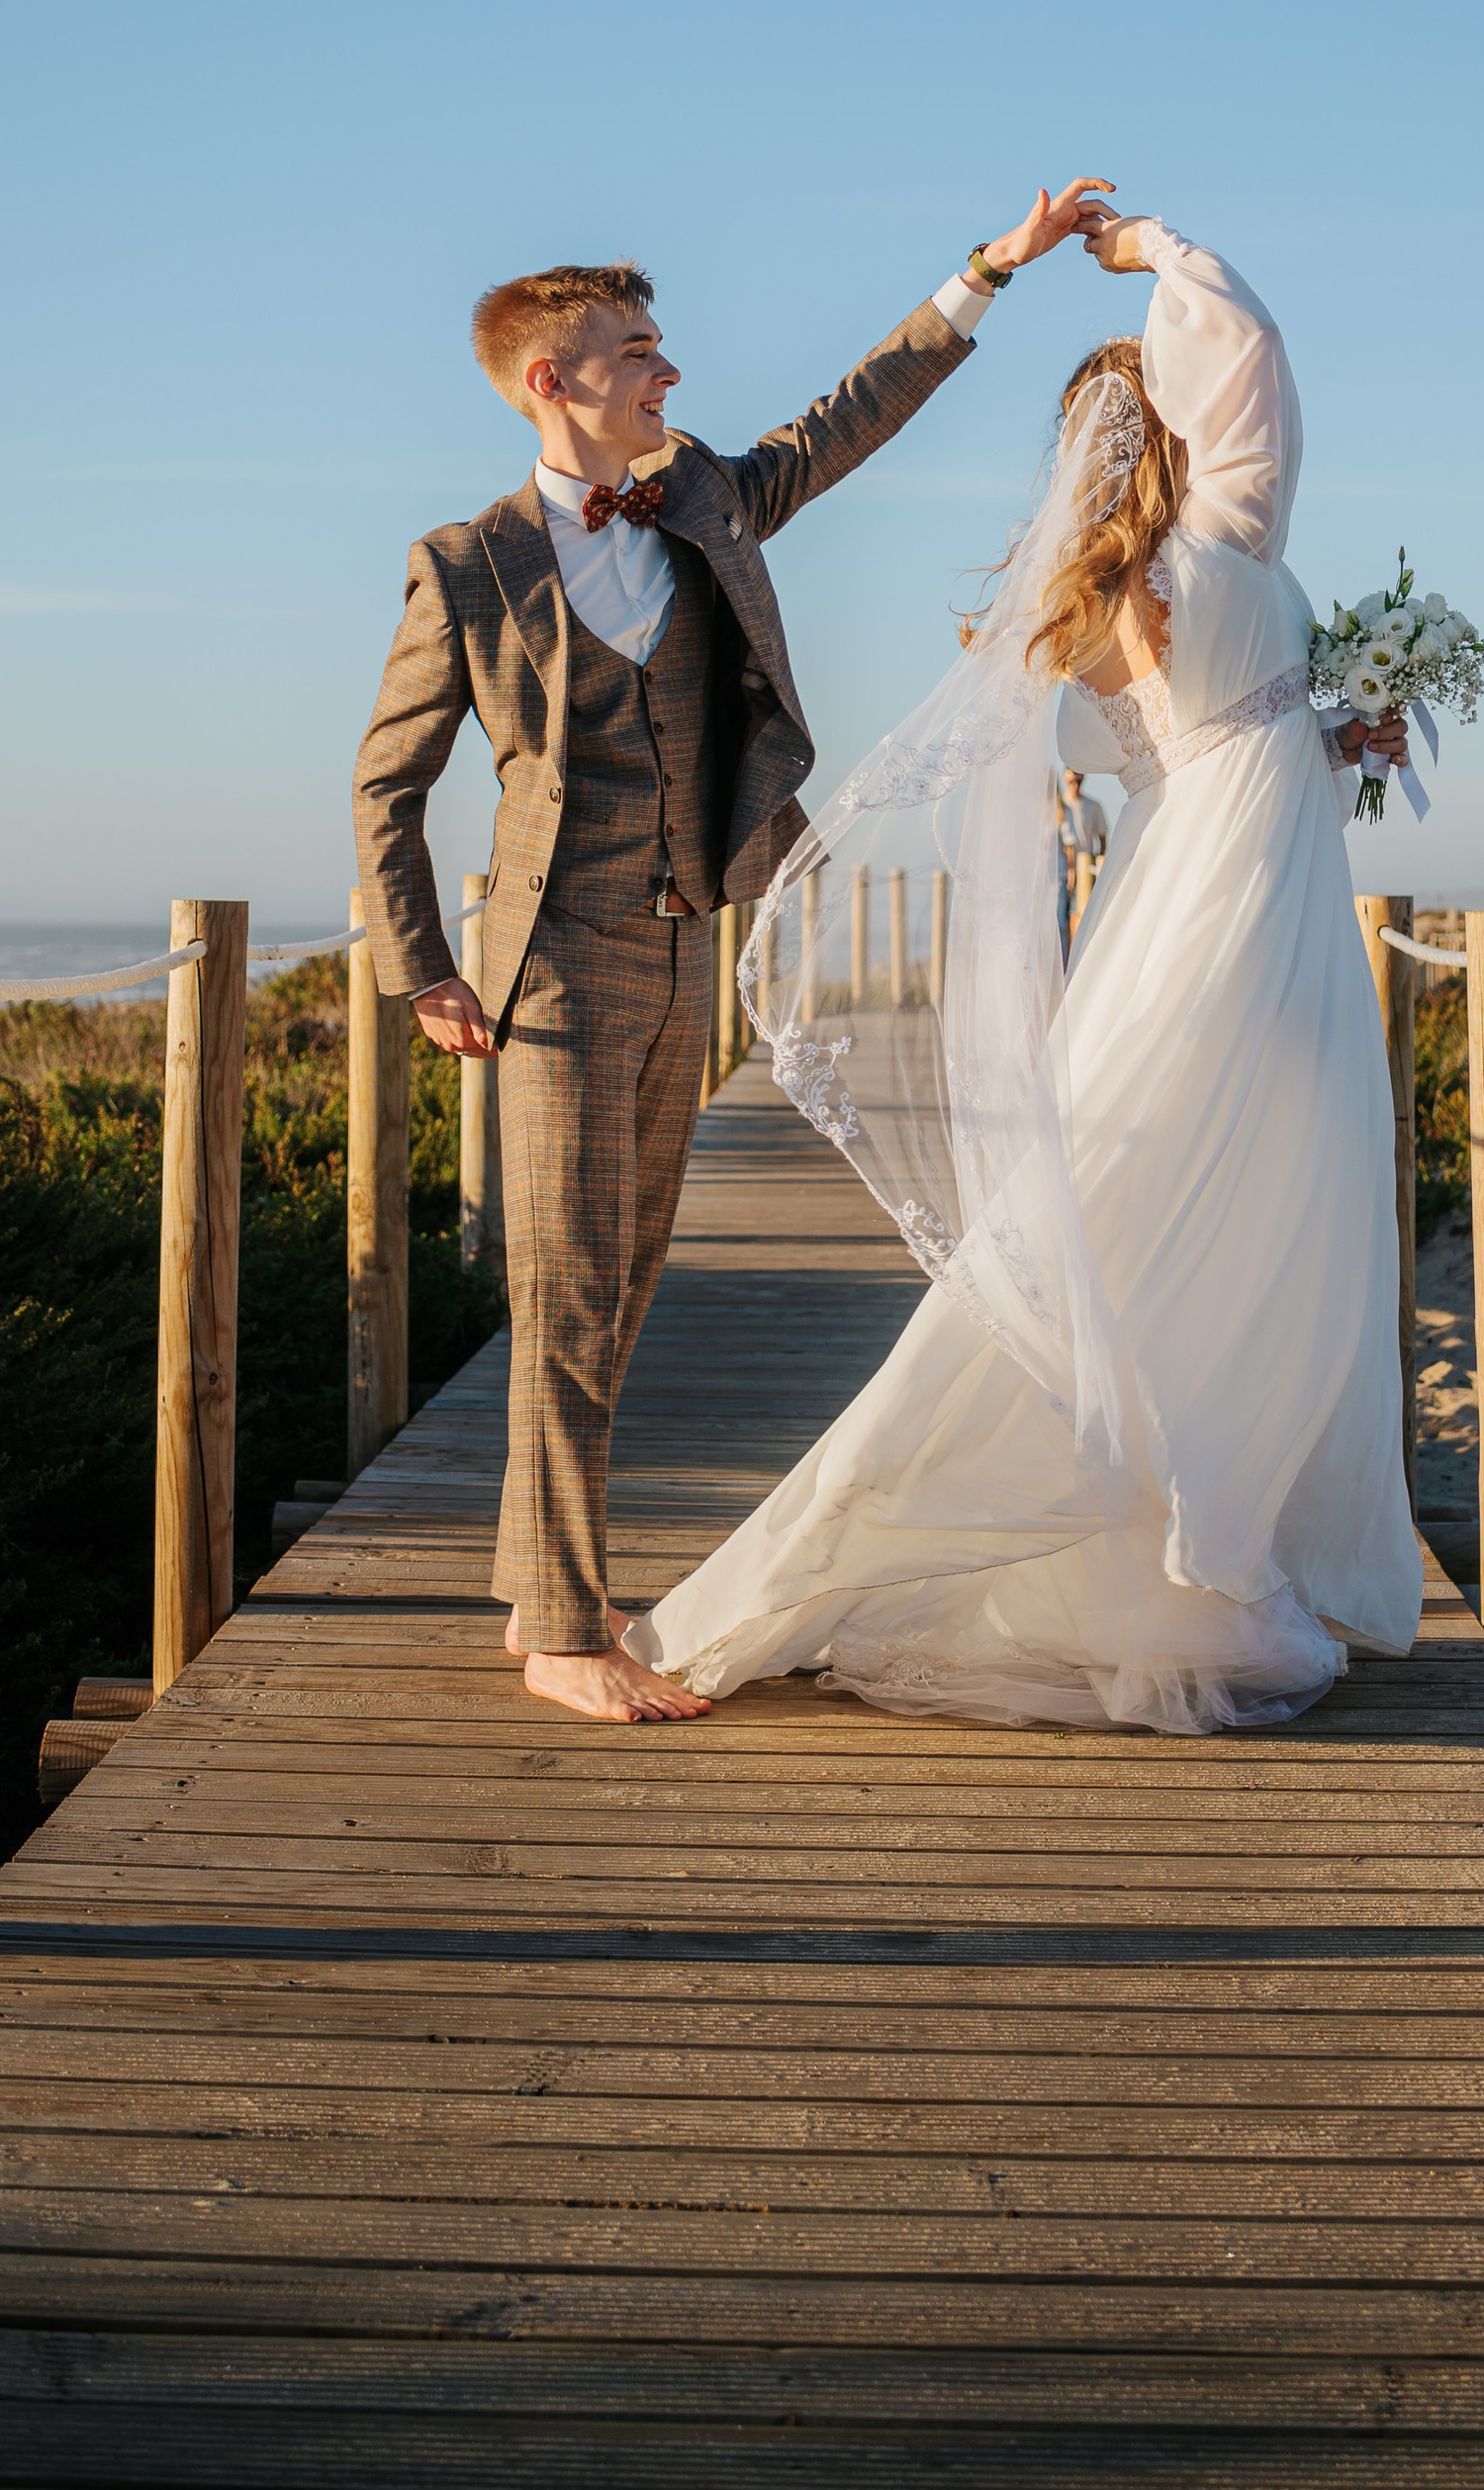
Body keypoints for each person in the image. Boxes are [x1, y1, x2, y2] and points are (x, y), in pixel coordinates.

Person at [627, 211, 1421, 1732]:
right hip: (1255, 920)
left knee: (1151, 1204)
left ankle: (1182, 1539)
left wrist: (1329, 738)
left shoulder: (1091, 611)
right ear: (1181, 427)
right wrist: (1160, 248)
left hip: (1180, 904)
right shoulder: (1231, 541)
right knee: (1259, 1209)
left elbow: (1188, 757)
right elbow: (1256, 348)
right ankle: (1206, 1549)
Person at [351, 179, 1114, 1725]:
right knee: (567, 1288)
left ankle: (533, 1587)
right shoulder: (469, 565)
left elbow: (843, 423)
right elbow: (387, 784)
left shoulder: (698, 495)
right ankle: (568, 1632)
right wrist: (418, 963)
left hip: (687, 944)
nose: (669, 372)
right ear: (551, 381)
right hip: (550, 967)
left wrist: (988, 270)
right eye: (638, 353)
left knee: (623, 1281)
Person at [1055, 763, 1107, 948]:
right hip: (1062, 872)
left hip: (1086, 869)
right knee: (1062, 918)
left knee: (1085, 915)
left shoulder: (1093, 806)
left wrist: (1098, 866)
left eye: (1078, 779)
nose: (1075, 784)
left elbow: (1102, 838)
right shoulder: (1058, 807)